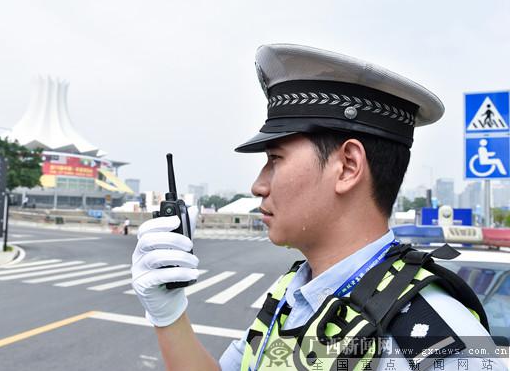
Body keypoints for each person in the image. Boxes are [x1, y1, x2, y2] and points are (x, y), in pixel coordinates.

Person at [131, 44, 506, 370]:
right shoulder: (294, 296)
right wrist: (169, 315)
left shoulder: (440, 341)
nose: (258, 185)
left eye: (275, 159)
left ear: (347, 167)